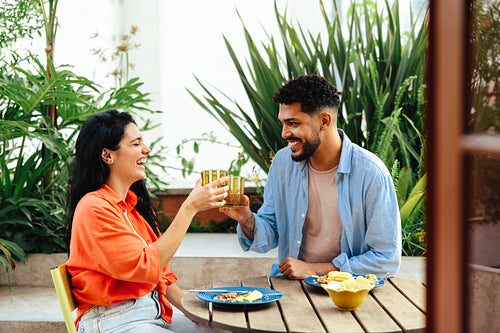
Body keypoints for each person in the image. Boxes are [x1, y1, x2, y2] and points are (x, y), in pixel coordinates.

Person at [222, 75, 401, 280]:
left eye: (293, 123)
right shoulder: (283, 163)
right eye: (283, 123)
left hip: (350, 293)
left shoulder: (371, 174)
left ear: (325, 120)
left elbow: (386, 259)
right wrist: (245, 218)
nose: (284, 133)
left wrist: (315, 270)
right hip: (293, 287)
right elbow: (269, 235)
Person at [65, 109, 229, 332]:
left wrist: (195, 312)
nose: (146, 149)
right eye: (136, 144)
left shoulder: (130, 208)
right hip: (114, 320)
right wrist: (189, 207)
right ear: (107, 155)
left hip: (153, 314)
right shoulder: (94, 208)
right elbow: (146, 266)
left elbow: (160, 275)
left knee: (221, 328)